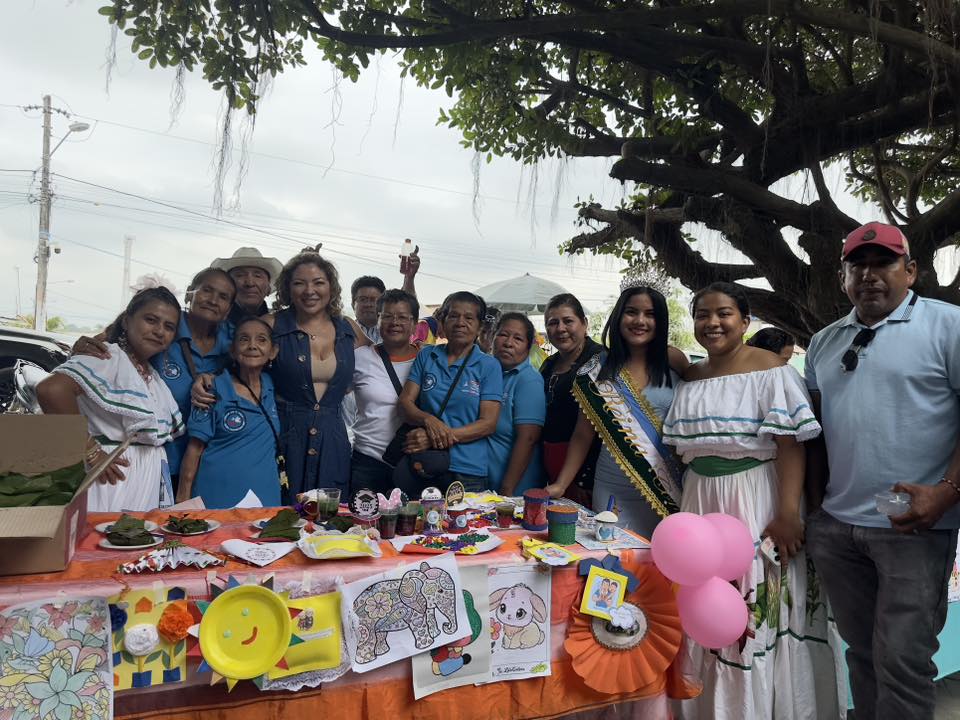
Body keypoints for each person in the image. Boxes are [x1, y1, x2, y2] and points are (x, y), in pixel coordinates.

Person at [664, 282, 843, 720]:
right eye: (702, 315)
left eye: (724, 313)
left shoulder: (772, 370)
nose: (712, 323)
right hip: (700, 500)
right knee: (700, 600)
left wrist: (787, 513)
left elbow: (791, 447)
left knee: (749, 602)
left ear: (745, 321)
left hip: (755, 498)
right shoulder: (692, 378)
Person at [804, 222, 960, 720]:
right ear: (843, 277)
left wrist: (946, 492)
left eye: (883, 263)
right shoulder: (823, 343)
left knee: (904, 663)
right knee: (863, 654)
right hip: (838, 529)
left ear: (910, 271)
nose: (869, 275)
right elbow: (815, 433)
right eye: (858, 266)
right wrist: (815, 512)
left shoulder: (950, 326)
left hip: (914, 528)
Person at [545, 285, 683, 538]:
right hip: (611, 487)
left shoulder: (673, 360)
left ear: (661, 320)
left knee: (662, 555)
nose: (639, 320)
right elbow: (582, 434)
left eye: (650, 314)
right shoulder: (597, 370)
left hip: (666, 488)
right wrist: (561, 484)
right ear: (618, 317)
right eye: (631, 312)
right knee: (612, 554)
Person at [36, 288, 184, 512]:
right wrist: (90, 450)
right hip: (110, 478)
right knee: (102, 532)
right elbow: (51, 390)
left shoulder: (149, 373)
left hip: (142, 478)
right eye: (151, 320)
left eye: (169, 327)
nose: (159, 331)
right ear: (126, 321)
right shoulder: (107, 356)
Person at [399, 291, 503, 493]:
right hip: (426, 465)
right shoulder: (427, 355)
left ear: (480, 326)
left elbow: (488, 424)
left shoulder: (488, 365)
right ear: (443, 321)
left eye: (469, 318)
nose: (460, 323)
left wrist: (433, 437)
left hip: (467, 471)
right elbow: (405, 403)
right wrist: (428, 420)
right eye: (453, 316)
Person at [177, 317, 282, 508]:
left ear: (273, 351)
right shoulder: (212, 389)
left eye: (261, 340)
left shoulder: (273, 385)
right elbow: (194, 449)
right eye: (244, 339)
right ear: (232, 350)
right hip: (216, 497)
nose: (252, 346)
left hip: (266, 497)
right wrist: (182, 500)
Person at [350, 289, 420, 494]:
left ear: (414, 324)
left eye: (402, 317)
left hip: (413, 463)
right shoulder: (360, 357)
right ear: (378, 320)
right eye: (387, 316)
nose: (394, 322)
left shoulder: (428, 360)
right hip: (367, 463)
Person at [540, 293, 604, 506]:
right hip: (551, 466)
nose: (560, 328)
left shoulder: (601, 361)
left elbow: (593, 430)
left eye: (568, 321)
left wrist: (584, 479)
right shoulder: (548, 364)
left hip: (584, 472)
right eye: (553, 323)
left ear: (584, 324)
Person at [487, 313, 546, 496]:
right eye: (503, 335)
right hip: (484, 483)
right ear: (492, 338)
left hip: (514, 488)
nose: (508, 343)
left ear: (529, 347)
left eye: (518, 339)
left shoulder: (528, 380)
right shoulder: (487, 373)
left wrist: (507, 489)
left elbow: (528, 439)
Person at [350, 248, 421, 342]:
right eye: (363, 299)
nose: (368, 304)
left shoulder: (395, 330)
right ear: (353, 304)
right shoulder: (342, 333)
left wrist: (409, 278)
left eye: (374, 300)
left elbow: (408, 305)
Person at [211, 246, 283, 326]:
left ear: (268, 288)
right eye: (240, 275)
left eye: (257, 276)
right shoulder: (211, 323)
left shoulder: (280, 325)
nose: (250, 283)